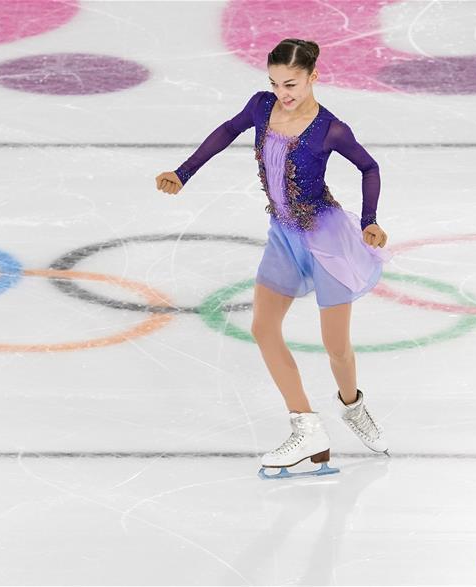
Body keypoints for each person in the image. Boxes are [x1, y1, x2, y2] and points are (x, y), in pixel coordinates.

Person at [156, 38, 392, 478]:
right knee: (263, 328)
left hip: (326, 240)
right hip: (283, 235)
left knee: (336, 348)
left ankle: (352, 407)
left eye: (291, 83)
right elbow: (228, 130)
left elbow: (369, 166)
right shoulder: (262, 108)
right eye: (275, 83)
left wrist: (370, 221)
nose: (283, 92)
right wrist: (182, 173)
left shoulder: (329, 129)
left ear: (312, 77)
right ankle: (306, 427)